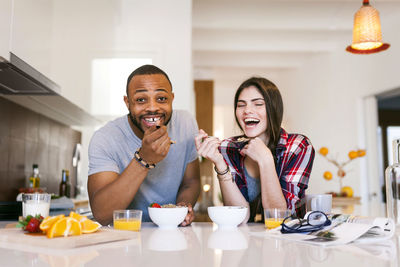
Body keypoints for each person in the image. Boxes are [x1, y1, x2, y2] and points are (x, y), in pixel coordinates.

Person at [88, 64, 200, 226]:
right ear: (127, 102)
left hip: (172, 231)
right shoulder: (105, 138)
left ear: (172, 99)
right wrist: (143, 160)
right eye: (141, 100)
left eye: (161, 99)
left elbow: (191, 181)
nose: (153, 108)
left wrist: (182, 207)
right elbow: (102, 214)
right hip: (126, 236)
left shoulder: (186, 123)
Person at [195, 77, 315, 223]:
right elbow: (239, 218)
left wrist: (265, 160)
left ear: (273, 108)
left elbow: (282, 217)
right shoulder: (228, 148)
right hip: (244, 242)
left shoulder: (298, 146)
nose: (247, 111)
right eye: (241, 105)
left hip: (286, 242)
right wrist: (220, 164)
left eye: (258, 104)